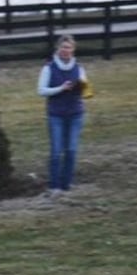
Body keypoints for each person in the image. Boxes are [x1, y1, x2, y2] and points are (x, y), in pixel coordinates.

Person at [37, 34, 88, 194]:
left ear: (73, 49)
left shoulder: (79, 68)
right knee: (56, 151)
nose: (66, 50)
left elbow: (87, 91)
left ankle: (67, 185)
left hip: (76, 114)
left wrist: (82, 89)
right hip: (56, 115)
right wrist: (60, 88)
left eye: (69, 47)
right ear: (58, 49)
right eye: (63, 47)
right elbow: (41, 90)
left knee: (71, 150)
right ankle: (54, 186)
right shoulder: (48, 68)